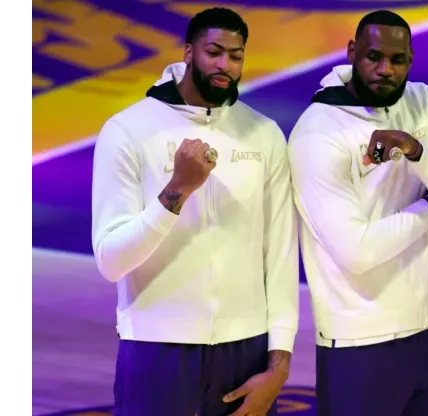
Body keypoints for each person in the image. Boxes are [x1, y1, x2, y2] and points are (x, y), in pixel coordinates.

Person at [91, 7, 298, 416]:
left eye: (235, 56)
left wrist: (280, 362)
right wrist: (176, 191)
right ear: (188, 53)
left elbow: (280, 254)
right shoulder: (128, 130)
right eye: (213, 52)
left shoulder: (264, 133)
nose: (225, 65)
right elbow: (111, 261)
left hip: (247, 351)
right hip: (156, 350)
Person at [287, 9, 428, 416]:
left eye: (397, 60)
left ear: (410, 59)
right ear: (352, 52)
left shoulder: (424, 101)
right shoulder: (317, 132)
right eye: (373, 57)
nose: (385, 70)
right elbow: (357, 253)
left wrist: (417, 151)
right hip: (360, 341)